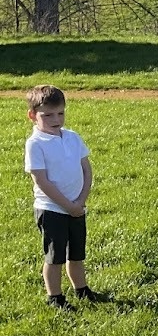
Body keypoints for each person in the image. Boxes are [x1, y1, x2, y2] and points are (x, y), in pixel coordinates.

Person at [24, 84, 103, 309]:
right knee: (55, 256)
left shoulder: (73, 137)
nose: (56, 119)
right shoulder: (35, 144)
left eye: (60, 113)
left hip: (77, 207)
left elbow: (86, 169)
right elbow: (41, 181)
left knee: (76, 254)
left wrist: (80, 201)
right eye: (47, 115)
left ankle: (82, 289)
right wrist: (68, 205)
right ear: (32, 115)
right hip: (52, 209)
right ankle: (55, 297)